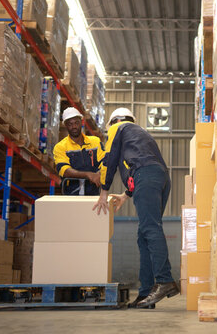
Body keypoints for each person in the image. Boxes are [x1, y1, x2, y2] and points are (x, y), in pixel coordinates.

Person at [92, 107, 179, 309]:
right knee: (145, 235)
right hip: (160, 177)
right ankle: (146, 293)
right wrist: (126, 194)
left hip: (146, 177)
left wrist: (104, 191)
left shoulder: (118, 128)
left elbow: (110, 159)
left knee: (150, 229)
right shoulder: (140, 133)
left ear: (113, 122)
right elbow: (142, 164)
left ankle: (165, 281)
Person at [53, 107, 105, 195]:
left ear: (82, 122)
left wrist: (99, 174)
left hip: (94, 193)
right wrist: (88, 175)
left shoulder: (95, 142)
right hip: (71, 195)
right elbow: (64, 170)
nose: (74, 126)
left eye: (76, 122)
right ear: (66, 125)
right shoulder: (60, 147)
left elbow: (104, 161)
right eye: (70, 124)